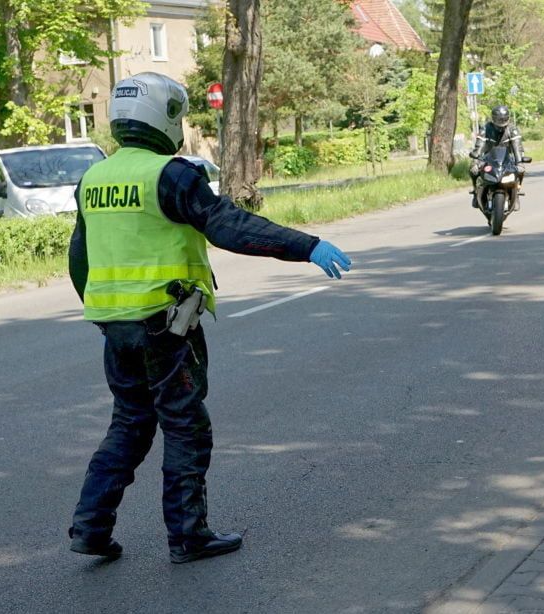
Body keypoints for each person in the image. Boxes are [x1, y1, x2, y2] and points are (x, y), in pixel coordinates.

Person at [67, 72, 352, 564]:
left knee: (129, 425)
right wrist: (305, 246)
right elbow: (229, 226)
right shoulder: (170, 175)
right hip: (166, 327)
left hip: (117, 330)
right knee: (184, 427)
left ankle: (90, 528)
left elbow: (80, 258)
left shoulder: (93, 178)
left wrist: (104, 313)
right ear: (165, 118)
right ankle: (188, 536)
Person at [468, 105, 525, 208]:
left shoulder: (512, 130)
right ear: (493, 118)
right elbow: (479, 145)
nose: (501, 123)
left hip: (507, 159)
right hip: (488, 158)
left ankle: (516, 194)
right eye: (499, 119)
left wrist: (520, 162)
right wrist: (475, 160)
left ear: (508, 118)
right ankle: (476, 192)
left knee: (520, 171)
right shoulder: (485, 129)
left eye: (503, 119)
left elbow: (517, 147)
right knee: (473, 170)